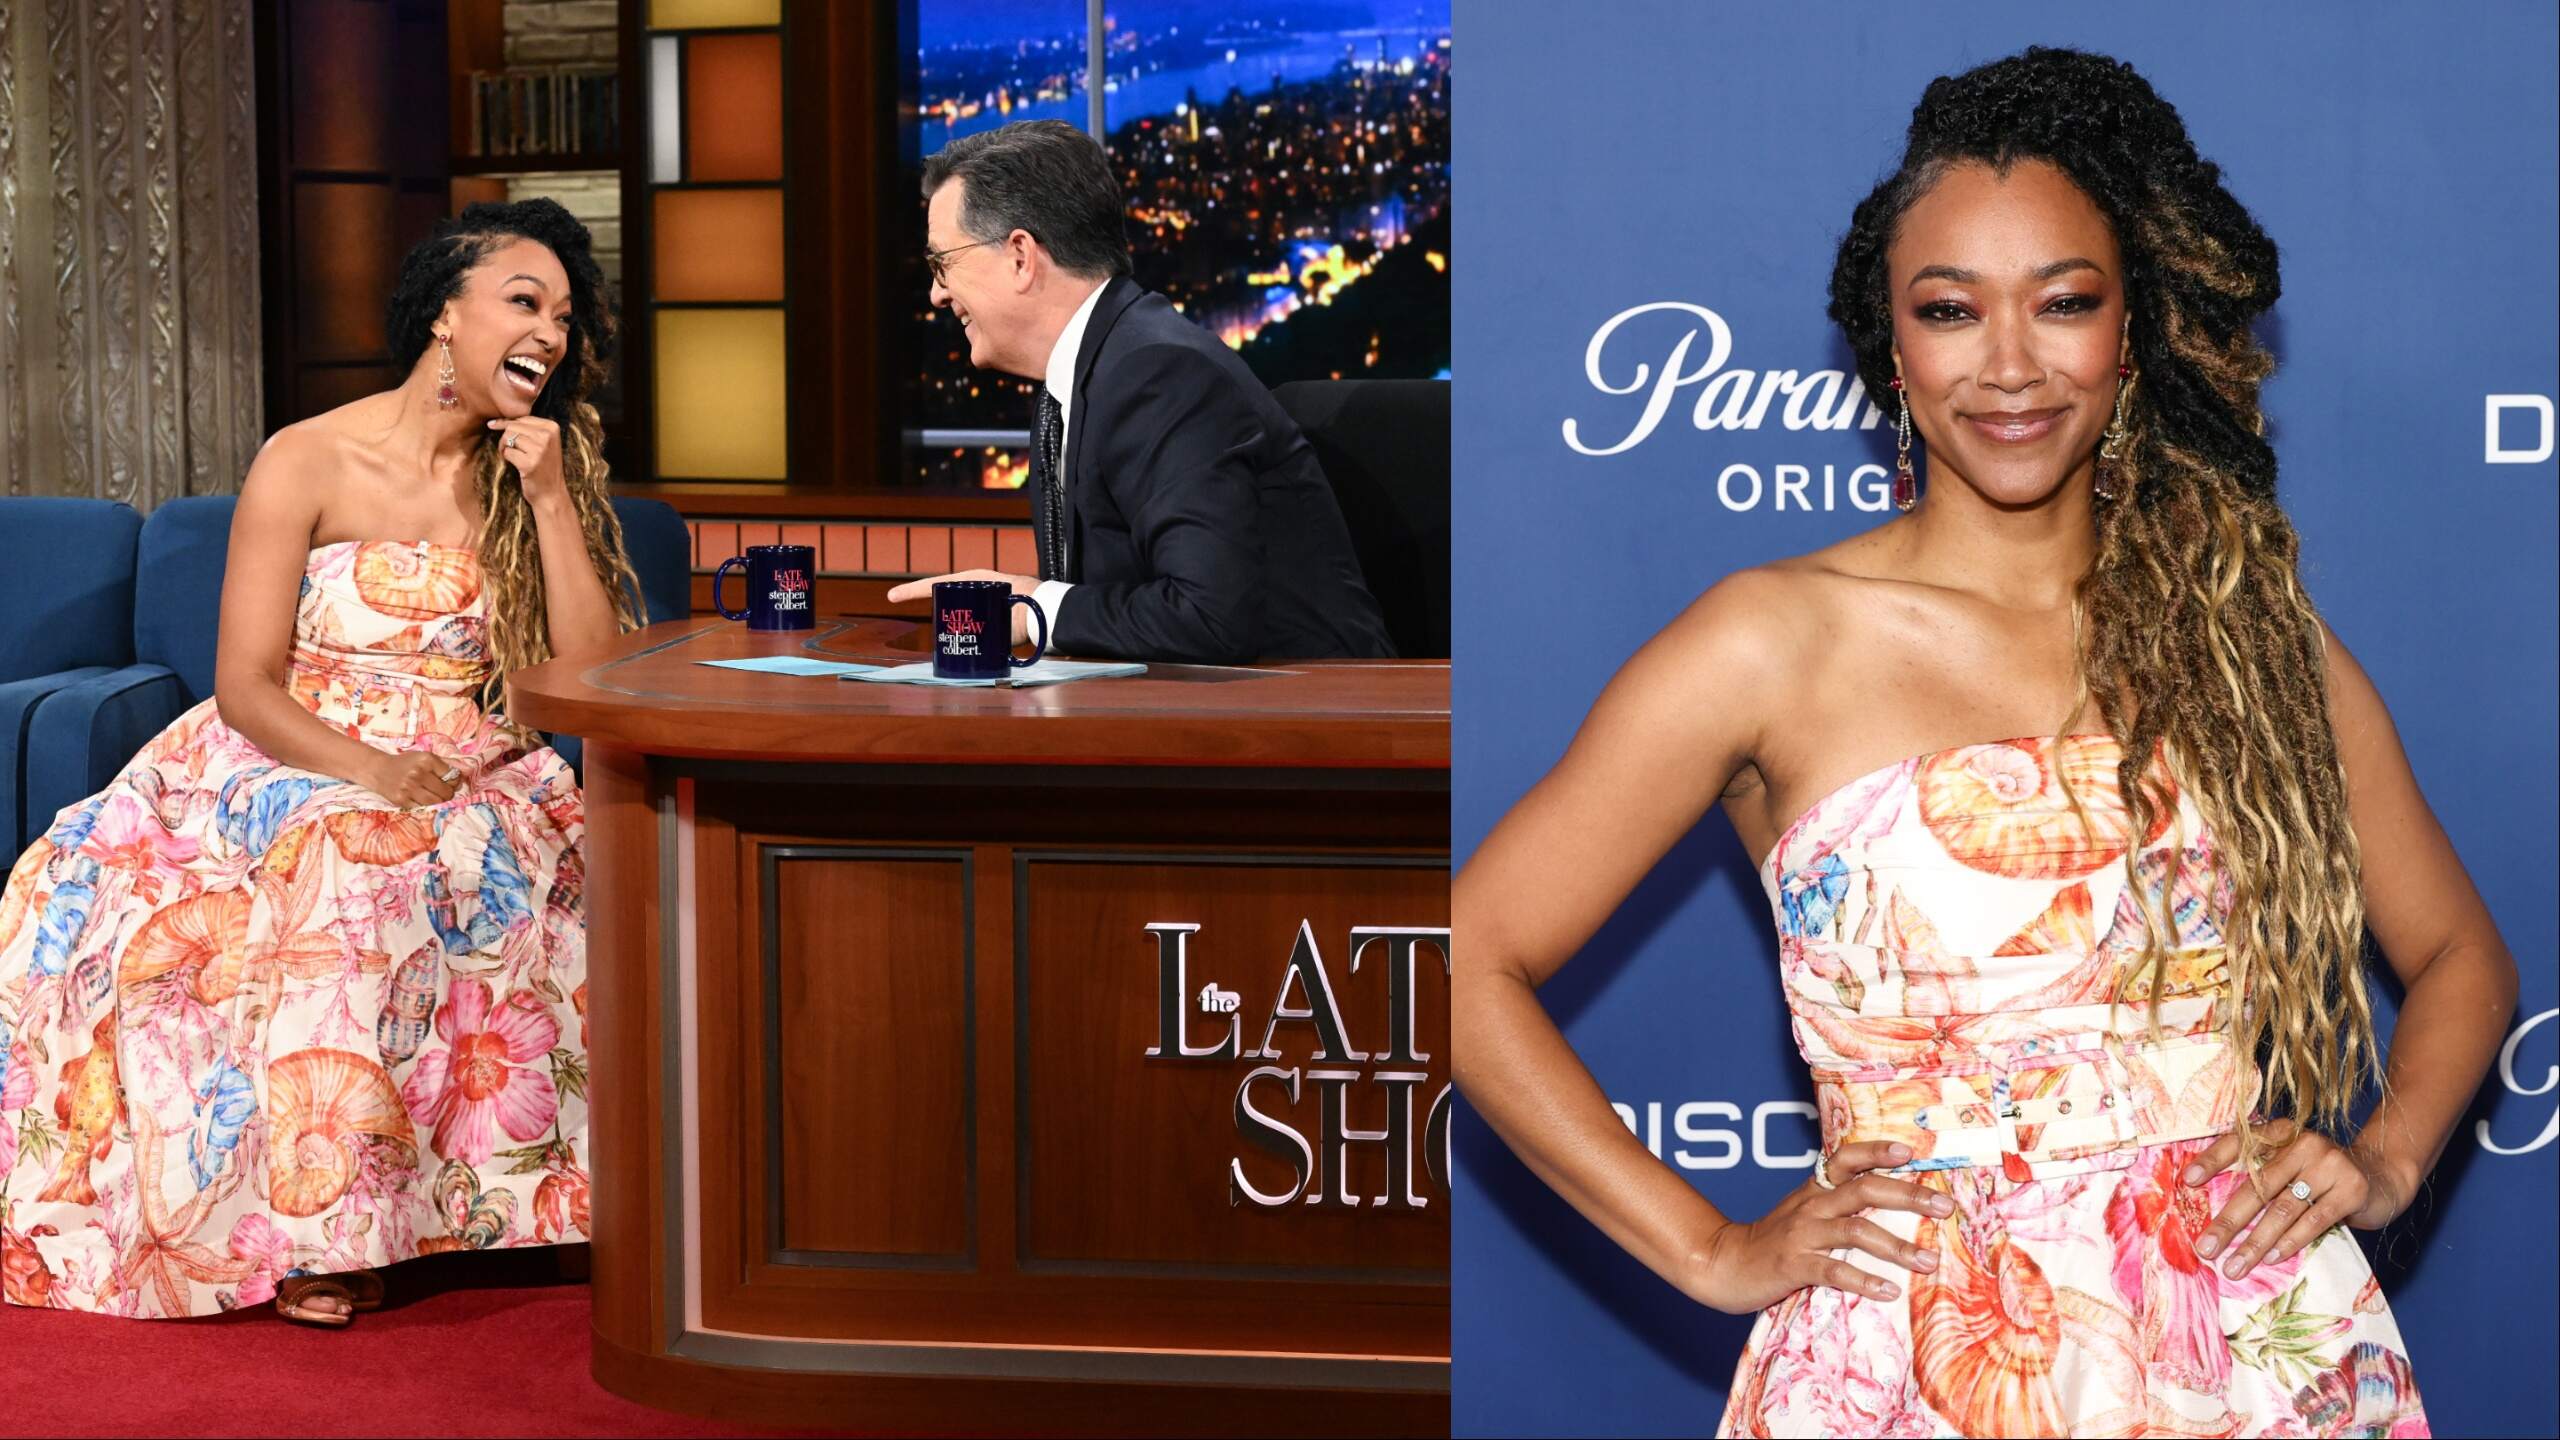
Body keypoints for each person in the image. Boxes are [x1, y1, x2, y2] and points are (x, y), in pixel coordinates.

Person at [1452, 48, 2511, 1438]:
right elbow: (1467, 961)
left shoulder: (2247, 639)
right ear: (1890, 343)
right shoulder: (1774, 640)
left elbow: (2462, 959)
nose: (2010, 366)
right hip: (1916, 1359)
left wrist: (2383, 1159)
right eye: (1951, 311)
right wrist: (1711, 1249)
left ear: (2128, 329)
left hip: (2247, 1354)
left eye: (2064, 304)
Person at [0, 199, 637, 1325]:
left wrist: (545, 498)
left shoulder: (536, 473)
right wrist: (368, 770)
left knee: (448, 859)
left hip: (468, 750)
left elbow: (581, 677)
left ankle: (470, 1206)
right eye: (525, 302)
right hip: (288, 740)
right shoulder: (307, 456)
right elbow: (244, 679)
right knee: (319, 857)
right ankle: (313, 1230)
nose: (551, 331)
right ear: (446, 314)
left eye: (566, 317)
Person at [885, 119, 1396, 665]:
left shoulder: (1158, 373)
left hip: (1308, 719)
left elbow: (1207, 616)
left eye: (944, 264)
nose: (938, 294)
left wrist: (1035, 607)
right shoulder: (1082, 379)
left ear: (1020, 256)